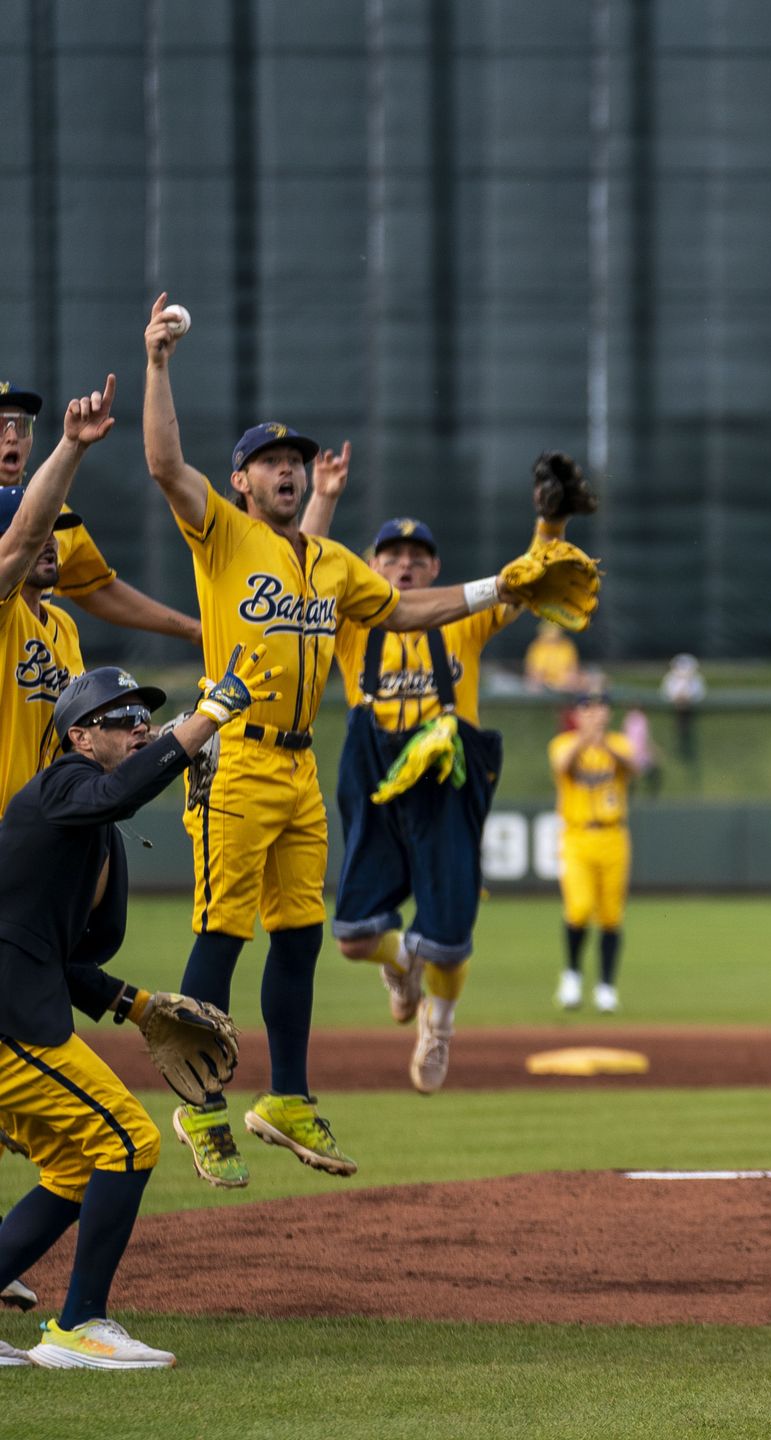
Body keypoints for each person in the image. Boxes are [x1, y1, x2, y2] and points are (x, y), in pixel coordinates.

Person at [140, 292, 579, 1186]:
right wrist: (156, 364)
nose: (288, 470)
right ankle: (201, 1107)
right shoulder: (221, 536)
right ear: (243, 483)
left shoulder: (333, 563)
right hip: (235, 754)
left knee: (301, 935)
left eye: (294, 460)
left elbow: (410, 608)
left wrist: (501, 584)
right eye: (270, 462)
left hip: (301, 764)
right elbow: (162, 462)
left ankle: (289, 1096)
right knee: (223, 932)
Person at [0, 652, 271, 1368]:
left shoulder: (88, 835)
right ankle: (79, 1325)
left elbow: (62, 958)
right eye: (119, 718)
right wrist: (207, 718)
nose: (138, 724)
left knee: (73, 1168)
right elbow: (115, 796)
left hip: (17, 1005)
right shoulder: (63, 785)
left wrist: (140, 1005)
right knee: (129, 1141)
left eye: (144, 715)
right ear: (80, 738)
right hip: (7, 1020)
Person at [301, 455, 593, 1094]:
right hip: (375, 772)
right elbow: (306, 566)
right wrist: (322, 496)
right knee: (351, 934)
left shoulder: (463, 615)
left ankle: (439, 1024)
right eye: (391, 556)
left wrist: (552, 520)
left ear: (436, 569)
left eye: (417, 556)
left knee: (452, 940)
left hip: (446, 777)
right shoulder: (349, 623)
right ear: (371, 567)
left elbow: (528, 579)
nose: (404, 565)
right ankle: (403, 962)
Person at [0, 381, 199, 650]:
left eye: (21, 424)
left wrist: (195, 631)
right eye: (0, 425)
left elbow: (97, 588)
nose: (12, 437)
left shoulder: (56, 516)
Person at [0, 376, 120, 815]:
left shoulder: (63, 627)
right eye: (41, 535)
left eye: (58, 532)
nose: (50, 541)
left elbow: (86, 729)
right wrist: (72, 445)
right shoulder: (4, 612)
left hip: (45, 825)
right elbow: (25, 533)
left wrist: (170, 738)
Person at [550, 692, 635, 1013]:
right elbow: (563, 766)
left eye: (600, 708)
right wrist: (586, 739)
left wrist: (604, 742)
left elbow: (633, 765)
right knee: (580, 908)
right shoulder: (564, 743)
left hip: (613, 835)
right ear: (577, 714)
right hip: (577, 835)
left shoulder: (618, 744)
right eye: (587, 708)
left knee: (612, 915)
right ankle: (571, 975)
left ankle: (606, 987)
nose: (594, 714)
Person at [662, 653, 705, 765]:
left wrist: (686, 697)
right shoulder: (669, 679)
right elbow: (668, 694)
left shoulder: (697, 680)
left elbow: (698, 694)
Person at [524, 620, 581, 692]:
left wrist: (567, 679)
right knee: (532, 684)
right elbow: (533, 671)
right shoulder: (536, 647)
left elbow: (573, 669)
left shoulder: (567, 646)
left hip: (563, 683)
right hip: (543, 684)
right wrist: (545, 681)